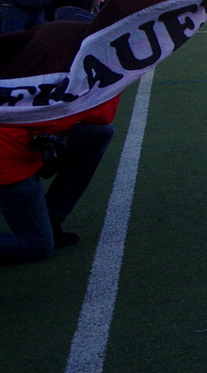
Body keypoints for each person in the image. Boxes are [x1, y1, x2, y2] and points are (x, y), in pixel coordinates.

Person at [0, 98, 119, 262]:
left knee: (99, 133)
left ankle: (51, 216)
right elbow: (102, 115)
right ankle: (45, 220)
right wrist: (114, 82)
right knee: (38, 247)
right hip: (10, 161)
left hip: (24, 141)